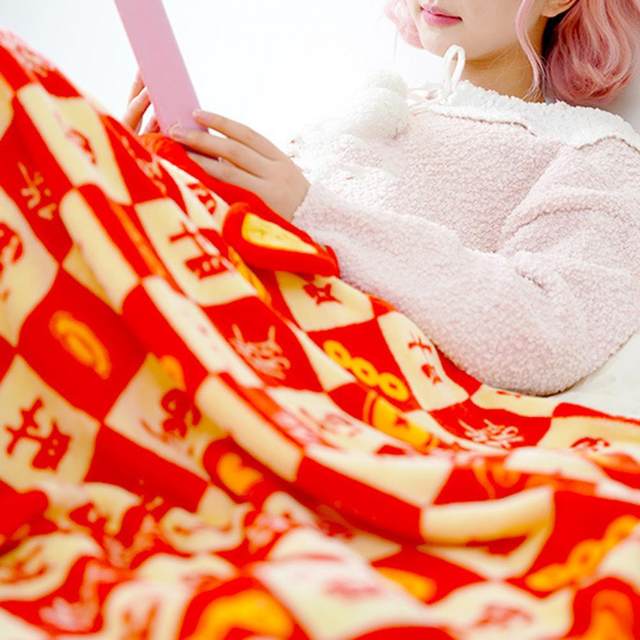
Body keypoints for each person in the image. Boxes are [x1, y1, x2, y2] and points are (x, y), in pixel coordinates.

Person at [123, 0, 640, 397]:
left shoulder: (592, 151)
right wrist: (156, 176)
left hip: (317, 378)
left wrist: (316, 213)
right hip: (215, 327)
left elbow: (546, 334)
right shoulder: (366, 111)